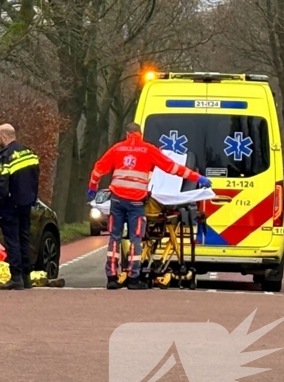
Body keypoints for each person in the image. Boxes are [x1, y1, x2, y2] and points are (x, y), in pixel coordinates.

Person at [89, 122, 211, 290]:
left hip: (117, 200)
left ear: (127, 134)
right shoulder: (148, 149)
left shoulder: (117, 149)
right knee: (136, 239)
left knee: (115, 238)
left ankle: (111, 276)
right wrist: (198, 178)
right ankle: (133, 278)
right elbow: (172, 168)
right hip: (136, 202)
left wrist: (92, 187)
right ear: (140, 134)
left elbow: (98, 169)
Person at [0, 124, 40, 291]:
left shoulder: (6, 156)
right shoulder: (29, 153)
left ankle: (16, 276)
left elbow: (1, 183)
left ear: (4, 137)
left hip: (10, 204)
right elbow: (35, 178)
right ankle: (26, 277)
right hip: (26, 202)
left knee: (12, 241)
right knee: (24, 239)